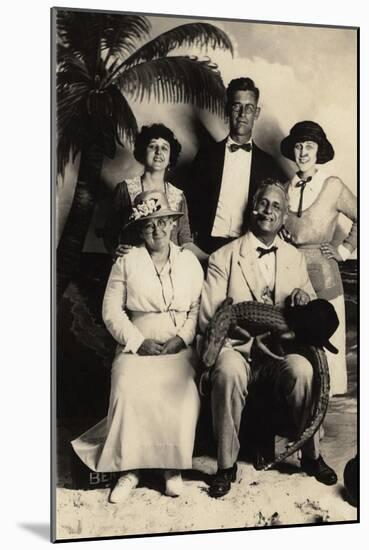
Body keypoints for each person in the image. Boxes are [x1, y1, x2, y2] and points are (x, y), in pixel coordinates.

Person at [199, 179, 337, 499]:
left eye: (276, 206)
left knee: (303, 370)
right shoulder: (224, 257)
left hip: (279, 352)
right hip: (237, 349)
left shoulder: (294, 258)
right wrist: (238, 329)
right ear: (252, 207)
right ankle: (225, 466)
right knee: (230, 370)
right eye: (263, 203)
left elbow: (310, 320)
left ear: (285, 216)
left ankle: (311, 457)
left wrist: (304, 298)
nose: (268, 210)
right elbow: (209, 319)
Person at [72, 190, 204, 503]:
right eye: (148, 225)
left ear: (173, 223)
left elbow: (197, 307)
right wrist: (138, 342)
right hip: (137, 344)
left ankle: (169, 466)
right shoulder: (127, 262)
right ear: (140, 229)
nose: (156, 230)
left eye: (162, 222)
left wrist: (181, 339)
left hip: (177, 345)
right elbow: (111, 311)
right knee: (127, 386)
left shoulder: (189, 262)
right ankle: (129, 470)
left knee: (183, 392)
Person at [280, 121, 357, 395]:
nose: (302, 152)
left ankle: (323, 405)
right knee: (296, 344)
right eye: (298, 146)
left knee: (326, 344)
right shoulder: (283, 188)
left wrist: (344, 250)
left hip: (323, 273)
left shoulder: (332, 186)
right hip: (290, 274)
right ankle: (302, 407)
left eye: (309, 146)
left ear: (319, 150)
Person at [188, 77, 287, 255]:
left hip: (249, 248)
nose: (242, 114)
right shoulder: (206, 157)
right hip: (208, 247)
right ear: (228, 109)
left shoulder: (268, 165)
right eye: (236, 106)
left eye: (249, 108)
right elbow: (190, 204)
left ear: (256, 113)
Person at [103, 123, 208, 263]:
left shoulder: (178, 196)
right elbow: (110, 233)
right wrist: (115, 249)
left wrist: (211, 258)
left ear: (171, 157)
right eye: (152, 146)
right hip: (135, 267)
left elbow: (185, 242)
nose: (159, 152)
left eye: (165, 148)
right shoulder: (124, 189)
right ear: (142, 152)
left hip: (170, 270)